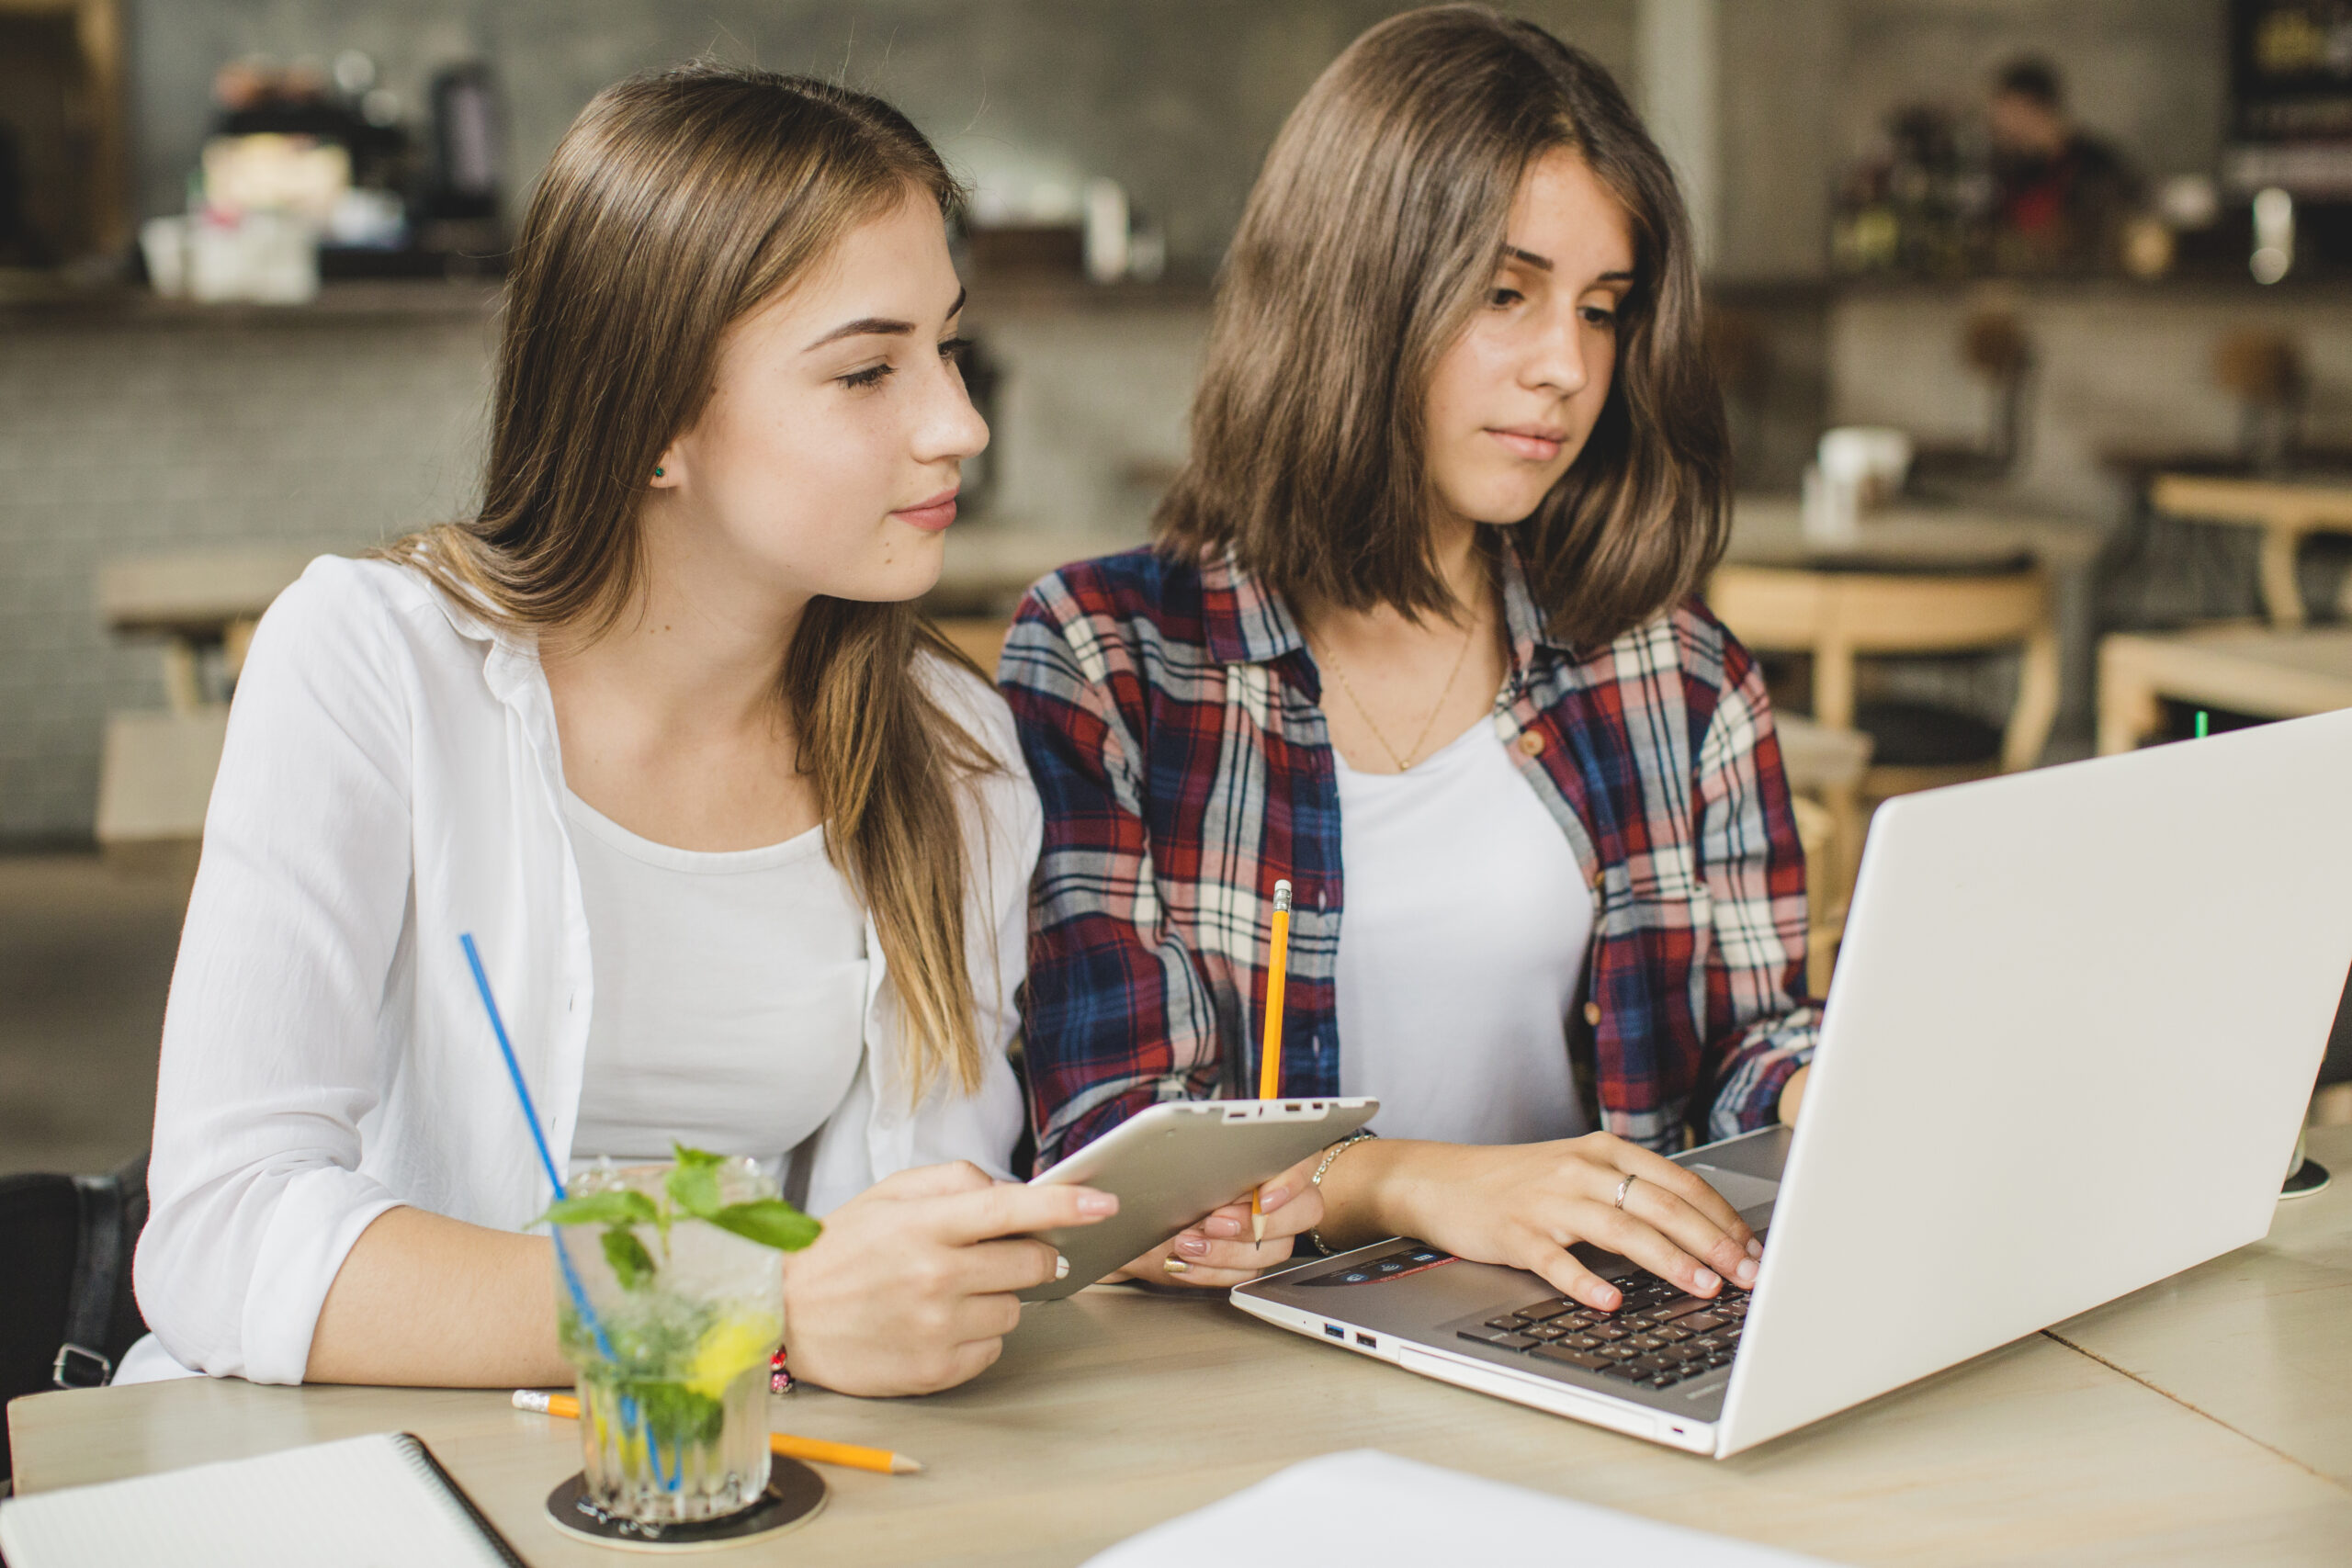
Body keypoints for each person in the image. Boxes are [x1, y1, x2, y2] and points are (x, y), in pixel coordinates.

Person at [127, 65, 1116, 1398]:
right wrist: (747, 1298)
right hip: (352, 1469)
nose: (959, 422)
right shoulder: (373, 664)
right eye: (870, 368)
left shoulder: (953, 753)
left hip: (740, 1476)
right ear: (653, 417)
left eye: (948, 346)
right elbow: (220, 1234)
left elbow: (900, 1243)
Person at [1000, 6, 1812, 1314]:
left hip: (1595, 1328)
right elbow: (1107, 1150)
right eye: (1505, 293)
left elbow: (1744, 1050)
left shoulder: (1676, 671)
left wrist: (1835, 1087)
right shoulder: (1112, 660)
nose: (1566, 367)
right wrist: (1412, 1181)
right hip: (1230, 1368)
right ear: (1355, 287)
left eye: (1602, 310)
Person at [1985, 56, 2141, 274]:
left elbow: (2119, 235)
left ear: (2029, 106)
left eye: (2005, 111)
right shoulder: (2011, 169)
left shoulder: (2097, 167)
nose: (1997, 123)